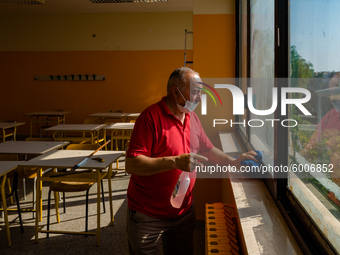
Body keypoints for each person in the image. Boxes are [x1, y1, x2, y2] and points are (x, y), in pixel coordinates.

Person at [125, 67, 257, 255]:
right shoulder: (149, 118)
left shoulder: (191, 117)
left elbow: (208, 149)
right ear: (175, 91)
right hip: (148, 215)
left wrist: (233, 162)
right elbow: (132, 164)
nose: (200, 98)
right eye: (195, 92)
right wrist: (175, 162)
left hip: (183, 212)